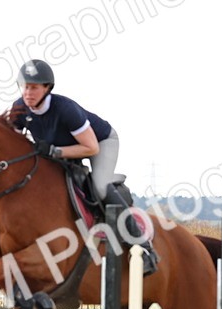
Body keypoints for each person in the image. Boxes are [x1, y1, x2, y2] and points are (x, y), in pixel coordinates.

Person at [8, 59, 158, 274]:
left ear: (47, 88)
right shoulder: (19, 109)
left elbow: (91, 148)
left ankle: (143, 246)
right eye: (24, 87)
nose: (27, 93)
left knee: (99, 186)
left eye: (33, 87)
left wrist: (54, 151)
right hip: (66, 149)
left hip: (100, 142)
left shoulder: (65, 109)